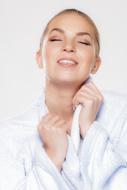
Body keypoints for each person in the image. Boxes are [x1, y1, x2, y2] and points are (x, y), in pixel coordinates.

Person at [0, 8, 127, 190]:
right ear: (39, 58)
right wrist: (51, 157)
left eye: (83, 42)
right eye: (56, 39)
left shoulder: (122, 115)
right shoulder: (7, 136)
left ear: (96, 64)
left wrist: (91, 131)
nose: (68, 47)